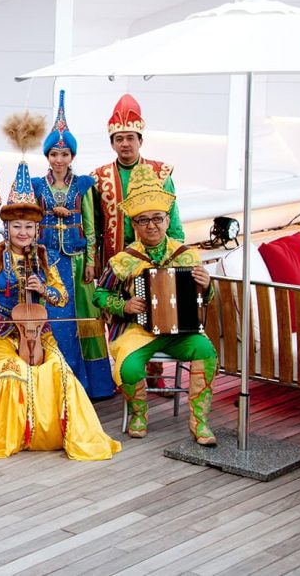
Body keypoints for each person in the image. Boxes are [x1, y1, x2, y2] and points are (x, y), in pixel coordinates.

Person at [0, 157, 121, 461]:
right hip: (0, 332)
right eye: (17, 226)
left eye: (29, 227)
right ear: (7, 227)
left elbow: (61, 297)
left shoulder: (44, 256)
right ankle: (12, 435)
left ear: (36, 229)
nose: (23, 232)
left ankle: (54, 434)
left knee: (61, 372)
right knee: (13, 372)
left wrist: (44, 290)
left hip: (37, 333)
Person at [92, 164, 218, 446]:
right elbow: (99, 294)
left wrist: (207, 285)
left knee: (206, 351)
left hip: (180, 333)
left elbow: (205, 301)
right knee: (128, 368)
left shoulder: (186, 256)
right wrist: (124, 306)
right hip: (138, 332)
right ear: (134, 225)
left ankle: (200, 421)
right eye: (143, 220)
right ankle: (139, 414)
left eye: (157, 218)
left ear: (167, 219)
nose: (151, 225)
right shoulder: (123, 260)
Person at [90, 94, 185, 388]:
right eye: (119, 139)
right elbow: (94, 225)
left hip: (156, 258)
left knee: (156, 313)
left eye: (130, 138)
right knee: (119, 314)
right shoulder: (99, 178)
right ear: (112, 143)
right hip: (117, 260)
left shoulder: (161, 172)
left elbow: (174, 219)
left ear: (140, 140)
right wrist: (94, 262)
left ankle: (154, 373)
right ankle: (126, 374)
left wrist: (176, 254)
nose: (125, 144)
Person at [31, 91, 114, 400]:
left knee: (85, 320)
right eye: (54, 154)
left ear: (72, 157)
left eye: (65, 154)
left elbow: (90, 227)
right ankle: (54, 379)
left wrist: (91, 261)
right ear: (47, 156)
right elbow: (30, 222)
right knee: (55, 319)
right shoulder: (37, 186)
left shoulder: (83, 186)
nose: (59, 159)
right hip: (47, 261)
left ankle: (92, 384)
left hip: (77, 261)